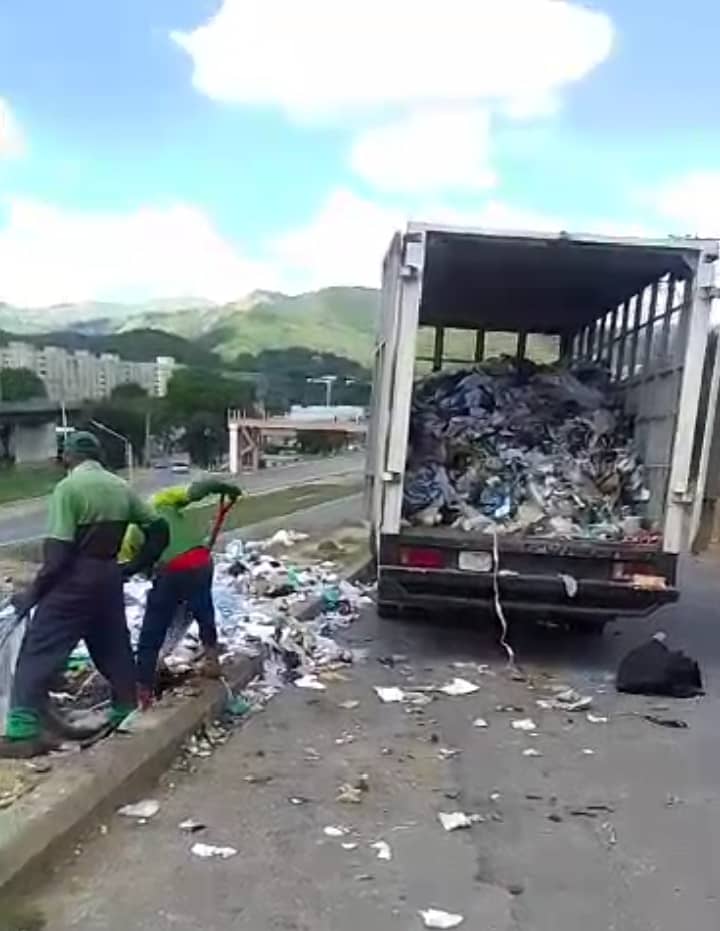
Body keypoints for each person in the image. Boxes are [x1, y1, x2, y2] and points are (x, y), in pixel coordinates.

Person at [0, 431, 168, 759]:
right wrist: (133, 566)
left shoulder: (69, 489)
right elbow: (158, 529)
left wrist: (32, 594)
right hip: (107, 578)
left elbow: (58, 557)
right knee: (113, 649)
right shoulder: (120, 487)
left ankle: (23, 732)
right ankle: (125, 713)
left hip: (72, 581)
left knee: (38, 652)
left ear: (68, 457)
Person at [120, 479, 241, 706]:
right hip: (202, 562)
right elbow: (198, 489)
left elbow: (144, 570)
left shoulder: (131, 532)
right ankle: (212, 660)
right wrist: (226, 488)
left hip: (172, 571)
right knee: (203, 610)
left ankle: (143, 688)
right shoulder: (162, 500)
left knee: (152, 629)